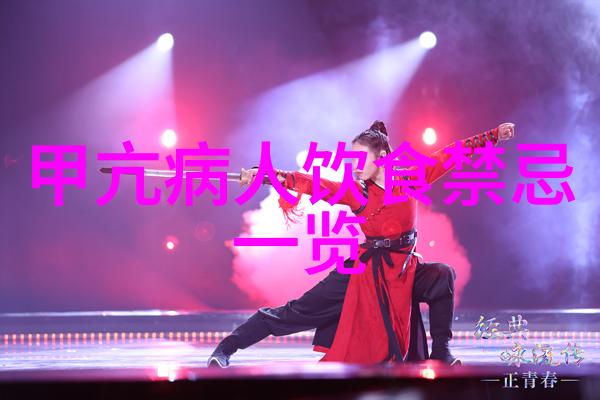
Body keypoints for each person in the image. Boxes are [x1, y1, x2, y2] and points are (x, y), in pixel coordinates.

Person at [208, 121, 515, 367]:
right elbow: (312, 182)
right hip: (364, 272)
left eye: (360, 159)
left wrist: (493, 135)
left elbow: (451, 154)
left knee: (441, 275)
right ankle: (227, 347)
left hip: (403, 272)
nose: (354, 165)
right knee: (297, 311)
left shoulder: (411, 179)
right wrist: (266, 176)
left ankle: (442, 352)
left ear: (381, 157)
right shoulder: (357, 191)